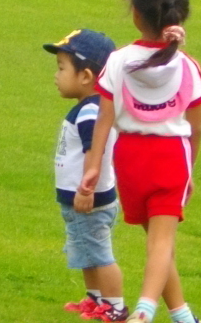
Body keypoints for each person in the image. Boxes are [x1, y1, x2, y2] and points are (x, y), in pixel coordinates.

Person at [79, 0, 201, 323]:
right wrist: (189, 171)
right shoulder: (188, 66)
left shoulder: (118, 60)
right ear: (180, 15)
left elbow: (104, 118)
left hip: (130, 159)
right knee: (161, 244)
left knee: (156, 243)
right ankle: (144, 311)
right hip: (171, 159)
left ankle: (183, 316)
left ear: (136, 14)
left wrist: (92, 166)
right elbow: (195, 129)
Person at [43, 29, 128, 322]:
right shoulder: (87, 109)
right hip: (80, 200)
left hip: (89, 200)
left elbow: (98, 152)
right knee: (85, 252)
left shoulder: (91, 113)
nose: (56, 75)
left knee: (99, 254)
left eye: (62, 68)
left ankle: (116, 306)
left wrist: (86, 189)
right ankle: (96, 300)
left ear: (86, 76)